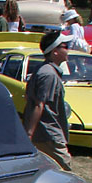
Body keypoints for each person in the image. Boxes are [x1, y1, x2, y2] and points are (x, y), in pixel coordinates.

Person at [24, 30, 74, 170]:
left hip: (47, 133)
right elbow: (39, 105)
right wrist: (29, 134)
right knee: (65, 171)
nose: (68, 49)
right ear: (55, 52)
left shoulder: (46, 70)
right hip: (48, 134)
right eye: (65, 46)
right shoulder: (48, 74)